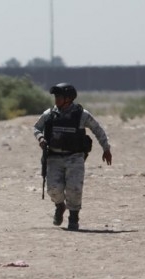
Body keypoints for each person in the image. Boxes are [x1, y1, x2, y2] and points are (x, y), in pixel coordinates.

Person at [34, 82, 112, 231]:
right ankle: (60, 206)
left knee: (74, 188)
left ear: (69, 98)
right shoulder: (49, 114)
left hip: (75, 157)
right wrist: (40, 138)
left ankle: (74, 218)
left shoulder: (82, 115)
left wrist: (106, 148)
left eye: (59, 96)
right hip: (54, 157)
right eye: (55, 96)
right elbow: (36, 127)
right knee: (53, 189)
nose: (56, 99)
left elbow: (97, 129)